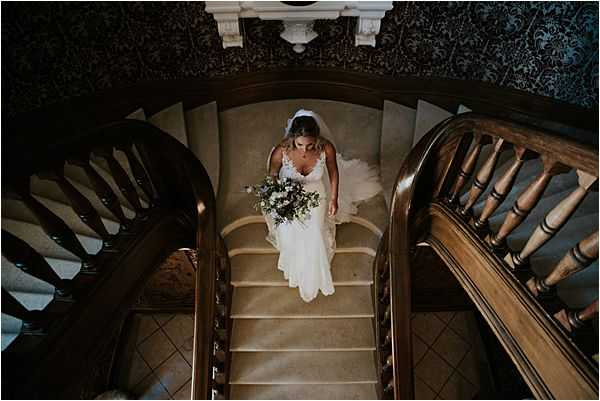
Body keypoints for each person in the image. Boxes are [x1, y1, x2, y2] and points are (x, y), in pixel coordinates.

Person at [265, 109, 382, 303]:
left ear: (316, 139)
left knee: (315, 232)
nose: (305, 150)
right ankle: (295, 265)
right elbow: (272, 174)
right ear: (293, 138)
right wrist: (281, 195)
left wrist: (334, 199)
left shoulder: (326, 148)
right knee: (289, 229)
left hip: (317, 195)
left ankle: (314, 271)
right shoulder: (281, 150)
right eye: (301, 144)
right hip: (289, 196)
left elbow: (334, 173)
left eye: (310, 144)